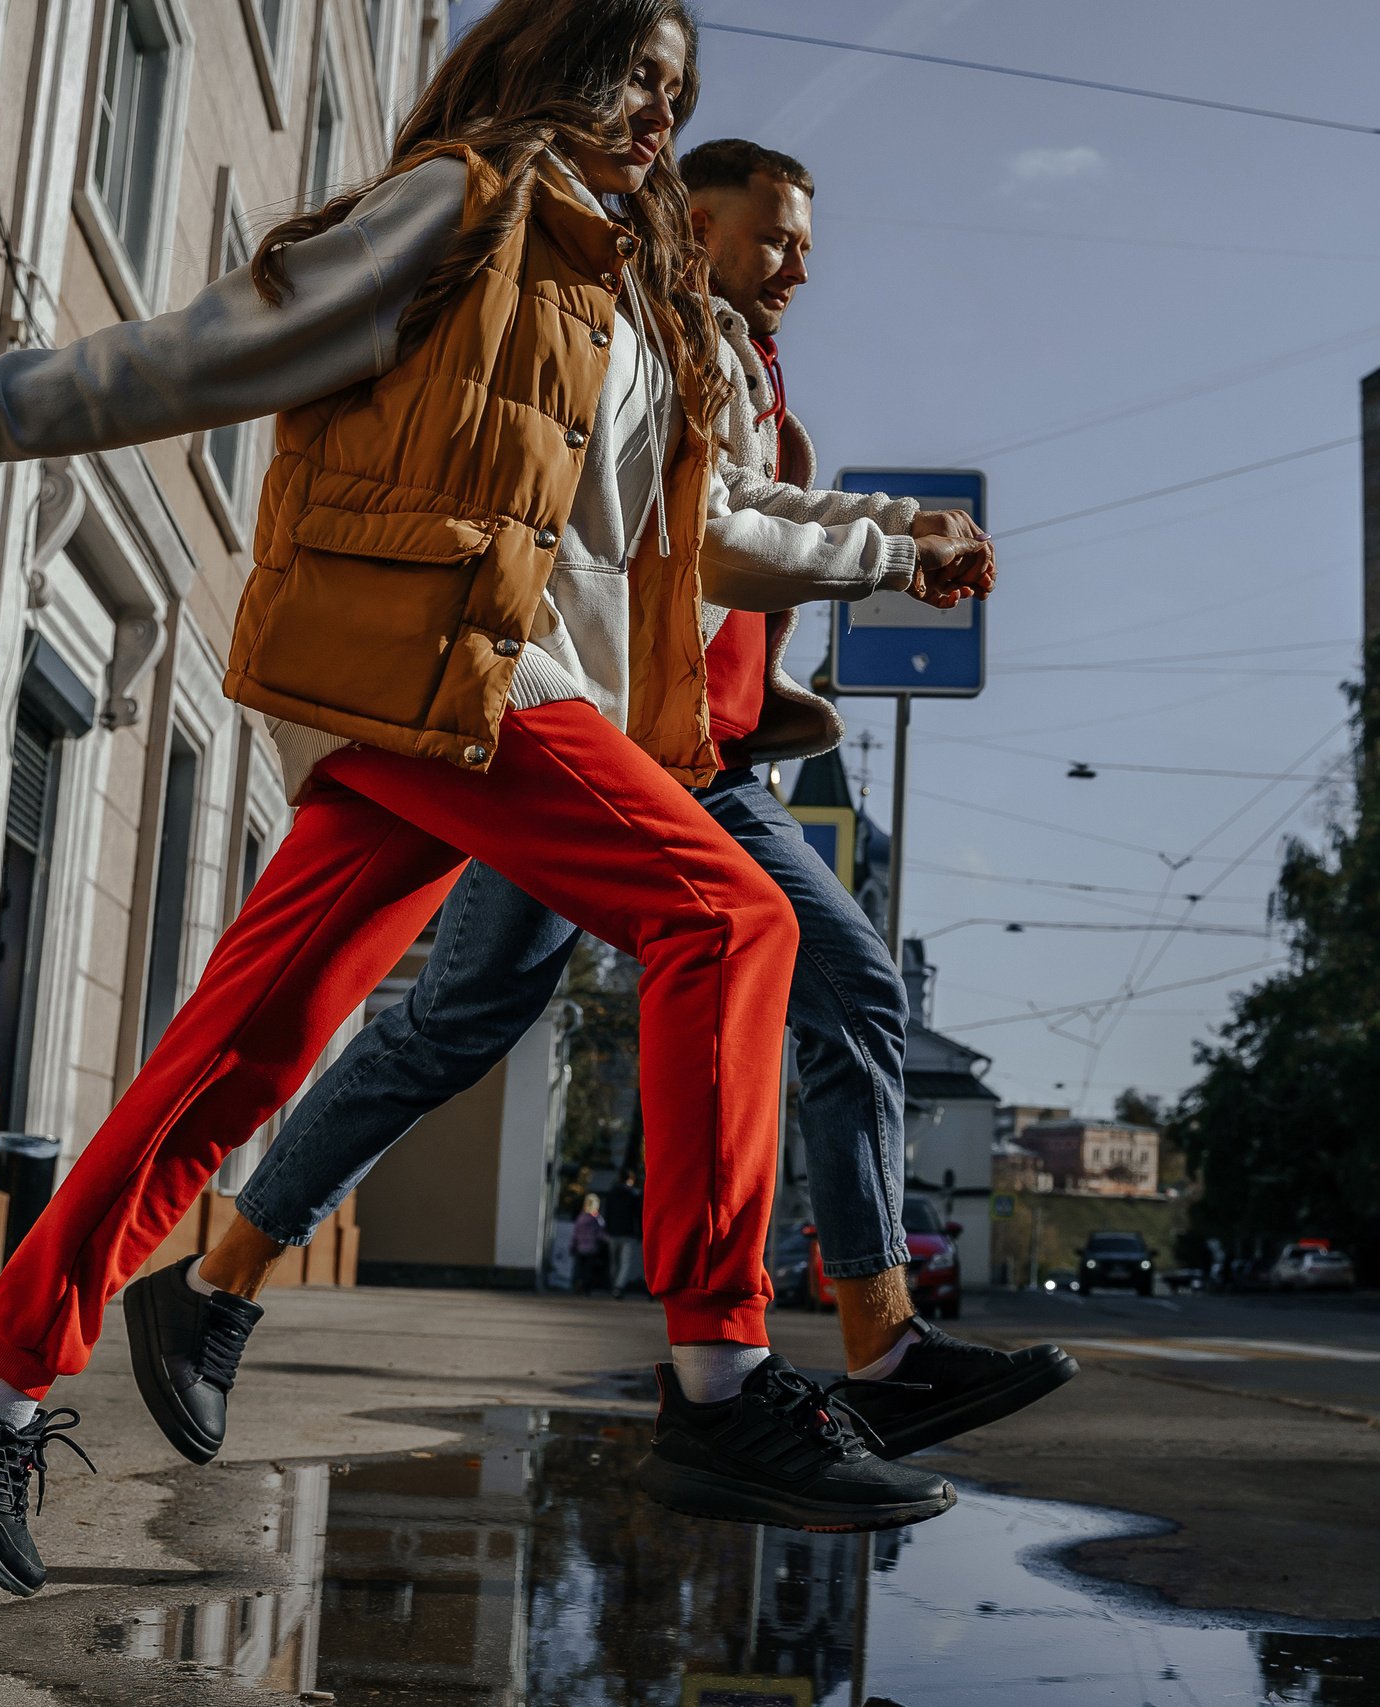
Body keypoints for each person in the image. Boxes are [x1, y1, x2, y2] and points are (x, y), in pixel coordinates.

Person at [0, 0, 992, 1598]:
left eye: (679, 87)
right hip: (453, 668)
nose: (659, 110)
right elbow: (224, 342)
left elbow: (709, 530)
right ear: (556, 62)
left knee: (244, 1049)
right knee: (729, 916)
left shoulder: (628, 292)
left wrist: (899, 544)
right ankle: (721, 1379)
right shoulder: (462, 202)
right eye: (637, 74)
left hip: (474, 708)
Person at [150, 133, 1076, 1472]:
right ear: (697, 225)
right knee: (454, 1024)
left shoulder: (751, 375)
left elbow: (768, 502)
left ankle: (885, 1345)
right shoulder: (638, 346)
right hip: (600, 749)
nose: (799, 264)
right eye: (776, 235)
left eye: (806, 242)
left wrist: (900, 530)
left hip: (718, 772)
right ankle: (217, 1280)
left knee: (856, 996)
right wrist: (889, 547)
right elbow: (714, 534)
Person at [603, 1168, 645, 1297]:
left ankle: (613, 1284)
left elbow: (607, 1213)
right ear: (631, 1180)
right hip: (628, 1232)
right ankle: (618, 1286)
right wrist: (640, 1232)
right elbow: (638, 1214)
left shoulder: (612, 1193)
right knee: (624, 1262)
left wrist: (607, 1230)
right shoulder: (634, 1194)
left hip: (613, 1232)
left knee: (613, 1261)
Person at [571, 1193, 612, 1296]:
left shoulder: (580, 1217)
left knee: (580, 1268)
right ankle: (586, 1287)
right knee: (588, 1269)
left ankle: (579, 1282)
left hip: (580, 1247)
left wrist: (572, 1245)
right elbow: (599, 1233)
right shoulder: (596, 1218)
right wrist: (608, 1239)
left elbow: (575, 1233)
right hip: (591, 1247)